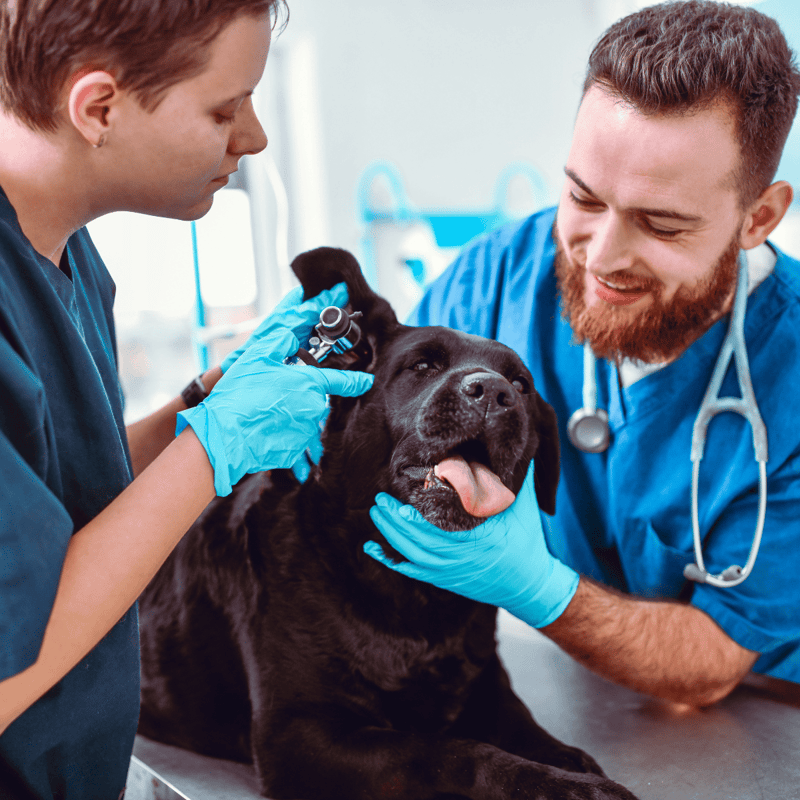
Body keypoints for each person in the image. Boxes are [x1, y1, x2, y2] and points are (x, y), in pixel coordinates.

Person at [367, 0, 800, 709]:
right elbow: (383, 418)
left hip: (769, 716)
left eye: (660, 224)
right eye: (583, 197)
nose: (603, 257)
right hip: (588, 691)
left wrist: (535, 588)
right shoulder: (500, 280)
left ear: (757, 218)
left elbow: (713, 663)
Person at [0, 1, 374, 797]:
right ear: (98, 106)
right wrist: (211, 452)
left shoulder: (63, 253)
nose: (255, 138)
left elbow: (58, 491)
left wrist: (201, 406)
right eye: (225, 108)